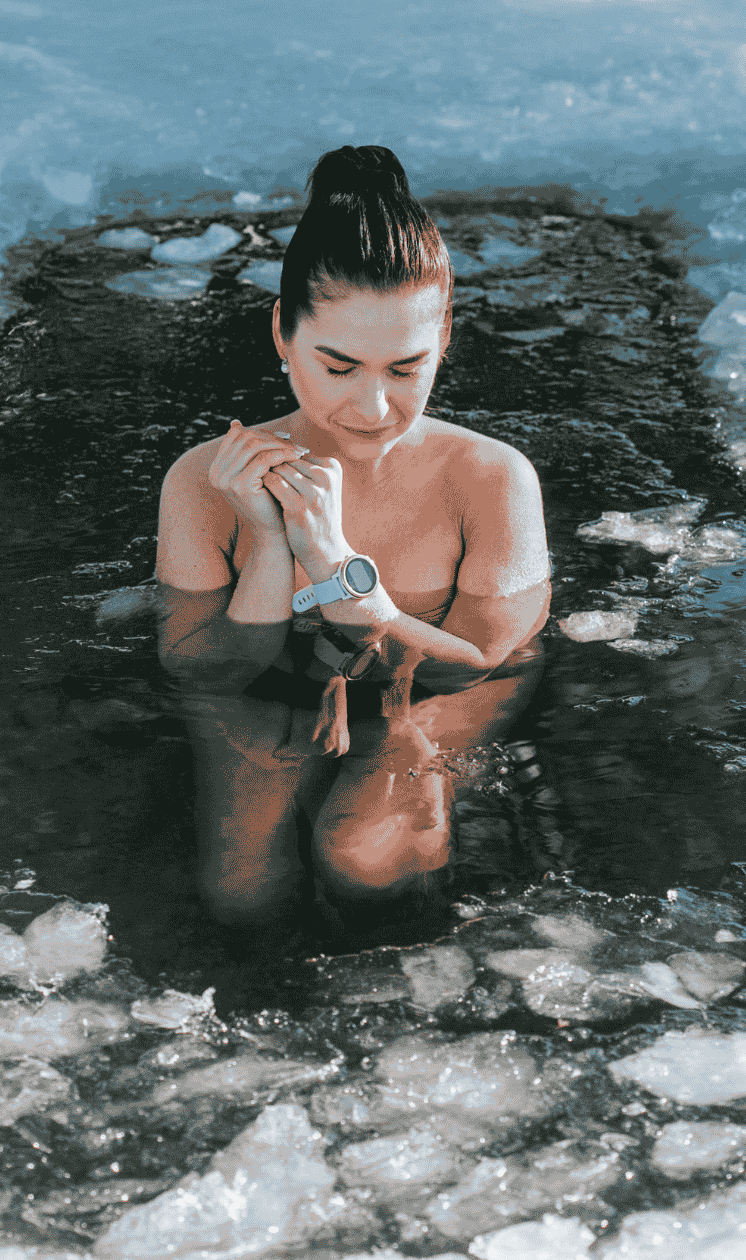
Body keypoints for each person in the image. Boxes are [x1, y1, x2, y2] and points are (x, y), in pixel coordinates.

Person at [155, 144, 552, 945]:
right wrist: (269, 547)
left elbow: (490, 657)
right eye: (337, 367)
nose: (373, 407)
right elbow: (200, 668)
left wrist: (351, 586)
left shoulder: (489, 477)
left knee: (366, 856)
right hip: (272, 689)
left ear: (444, 336)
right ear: (282, 333)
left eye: (405, 369)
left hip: (436, 689)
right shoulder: (206, 480)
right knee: (243, 896)